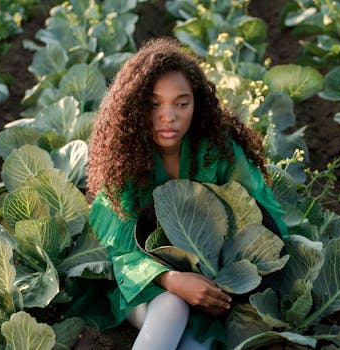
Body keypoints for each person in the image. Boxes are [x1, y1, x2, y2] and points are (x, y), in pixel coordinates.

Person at [87, 37, 287, 350]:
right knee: (172, 307)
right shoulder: (124, 161)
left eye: (182, 103)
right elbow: (121, 252)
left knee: (196, 343)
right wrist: (172, 280)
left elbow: (263, 224)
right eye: (154, 104)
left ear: (197, 103)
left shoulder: (218, 152)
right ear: (135, 108)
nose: (169, 116)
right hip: (145, 285)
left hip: (217, 291)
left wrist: (226, 290)